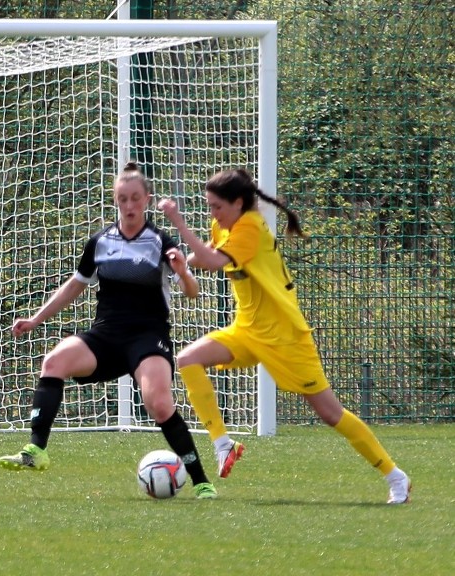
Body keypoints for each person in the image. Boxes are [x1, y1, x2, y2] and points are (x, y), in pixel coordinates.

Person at [158, 167, 411, 504]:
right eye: (209, 206)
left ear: (238, 203)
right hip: (247, 330)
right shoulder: (224, 224)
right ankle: (223, 443)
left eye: (217, 206)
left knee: (330, 413)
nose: (212, 213)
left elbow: (213, 261)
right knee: (188, 359)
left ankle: (396, 476)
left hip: (285, 337)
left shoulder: (250, 227)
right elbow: (206, 252)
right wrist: (180, 263)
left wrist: (178, 223)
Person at [0, 161, 220, 499]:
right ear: (115, 201)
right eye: (122, 199)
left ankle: (201, 480)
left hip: (147, 338)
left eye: (134, 199)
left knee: (159, 405)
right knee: (54, 362)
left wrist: (184, 272)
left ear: (147, 199)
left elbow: (192, 292)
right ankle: (36, 451)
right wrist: (35, 320)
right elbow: (74, 286)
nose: (128, 206)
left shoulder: (160, 242)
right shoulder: (100, 241)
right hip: (106, 336)